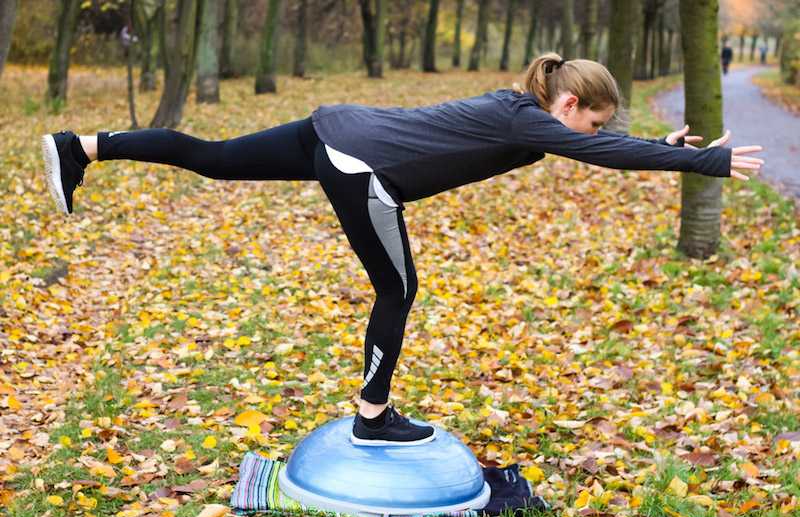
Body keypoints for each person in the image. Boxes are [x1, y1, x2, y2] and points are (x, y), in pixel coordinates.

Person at [40, 53, 763, 447]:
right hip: (363, 171)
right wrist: (704, 165)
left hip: (333, 129)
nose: (592, 134)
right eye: (594, 122)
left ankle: (83, 147)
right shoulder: (533, 123)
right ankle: (373, 413)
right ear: (569, 106)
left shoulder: (518, 108)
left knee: (215, 157)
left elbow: (600, 148)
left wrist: (655, 144)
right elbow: (600, 157)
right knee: (398, 291)